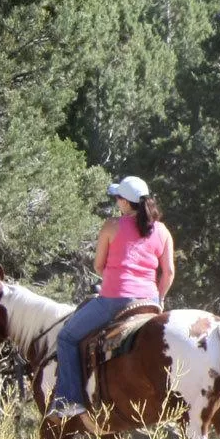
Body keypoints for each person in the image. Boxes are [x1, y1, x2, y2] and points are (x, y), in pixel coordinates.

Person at [48, 176, 175, 419]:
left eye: (118, 197)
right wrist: (158, 299)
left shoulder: (111, 226)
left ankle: (71, 400)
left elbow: (98, 265)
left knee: (66, 337)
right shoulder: (162, 231)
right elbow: (168, 273)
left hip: (115, 300)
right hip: (148, 302)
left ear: (126, 203)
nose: (116, 201)